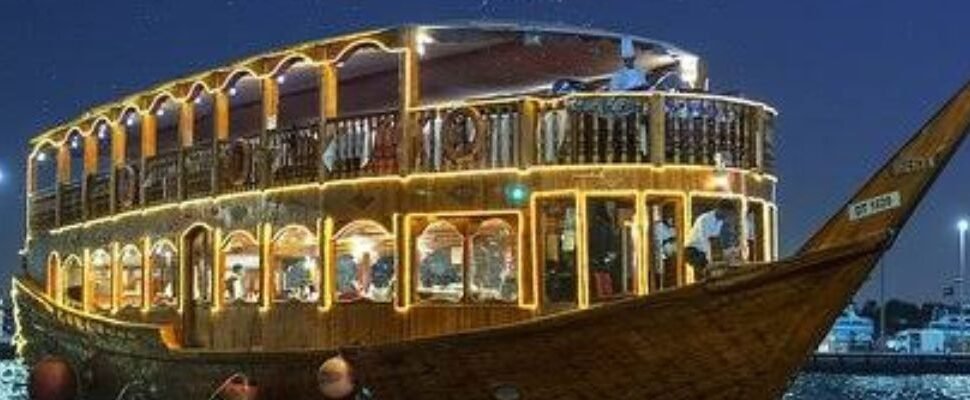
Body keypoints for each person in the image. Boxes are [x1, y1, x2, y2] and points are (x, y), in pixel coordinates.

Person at [685, 203, 733, 277]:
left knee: (716, 271)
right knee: (706, 275)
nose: (726, 216)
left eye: (728, 215)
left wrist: (725, 253)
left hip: (704, 250)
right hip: (693, 250)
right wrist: (710, 260)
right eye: (726, 213)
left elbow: (714, 239)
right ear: (720, 210)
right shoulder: (704, 219)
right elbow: (704, 240)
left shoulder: (720, 221)